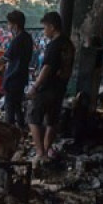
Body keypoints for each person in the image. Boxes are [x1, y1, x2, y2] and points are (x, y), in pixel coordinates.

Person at [27, 12, 74, 165]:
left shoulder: (54, 45)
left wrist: (35, 86)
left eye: (45, 27)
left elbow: (47, 68)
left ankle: (40, 153)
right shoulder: (69, 44)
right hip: (60, 88)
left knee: (33, 117)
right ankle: (46, 151)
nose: (44, 31)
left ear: (52, 27)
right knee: (52, 120)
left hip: (47, 88)